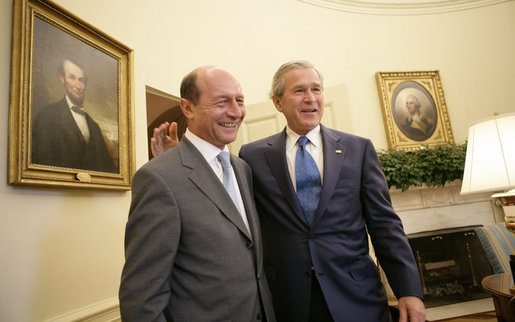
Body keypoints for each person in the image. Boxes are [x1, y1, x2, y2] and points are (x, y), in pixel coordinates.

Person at [152, 61, 426, 322]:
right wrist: (179, 160)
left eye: (316, 89)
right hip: (287, 302)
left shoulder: (359, 149)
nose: (310, 98)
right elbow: (224, 207)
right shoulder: (252, 156)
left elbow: (385, 226)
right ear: (278, 102)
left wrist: (409, 291)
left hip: (357, 296)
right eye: (299, 91)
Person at [119, 66, 276, 321]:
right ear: (187, 108)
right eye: (222, 101)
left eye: (239, 101)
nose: (235, 112)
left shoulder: (242, 168)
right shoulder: (158, 178)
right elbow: (141, 297)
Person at [32, 58, 116, 172]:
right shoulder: (47, 116)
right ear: (62, 79)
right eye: (72, 78)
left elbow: (108, 168)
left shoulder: (94, 127)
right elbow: (41, 163)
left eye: (81, 80)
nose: (78, 86)